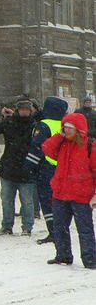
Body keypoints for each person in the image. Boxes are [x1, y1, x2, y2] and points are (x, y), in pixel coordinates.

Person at [42, 112, 96, 268]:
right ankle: (63, 255)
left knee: (85, 229)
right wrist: (58, 136)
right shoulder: (62, 143)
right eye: (64, 128)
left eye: (69, 128)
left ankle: (90, 259)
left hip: (81, 196)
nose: (66, 131)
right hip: (61, 194)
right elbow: (47, 149)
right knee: (59, 227)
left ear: (78, 129)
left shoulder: (90, 146)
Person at [0, 98, 38, 236]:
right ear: (18, 110)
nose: (24, 112)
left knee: (27, 201)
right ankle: (6, 226)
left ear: (30, 111)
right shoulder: (9, 122)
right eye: (22, 109)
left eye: (27, 110)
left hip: (26, 168)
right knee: (7, 200)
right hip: (9, 168)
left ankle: (27, 228)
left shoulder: (34, 126)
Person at [25, 96, 68, 245]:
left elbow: (37, 148)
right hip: (62, 168)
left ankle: (53, 232)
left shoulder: (44, 125)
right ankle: (61, 230)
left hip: (46, 168)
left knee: (46, 201)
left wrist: (29, 167)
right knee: (59, 202)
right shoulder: (64, 124)